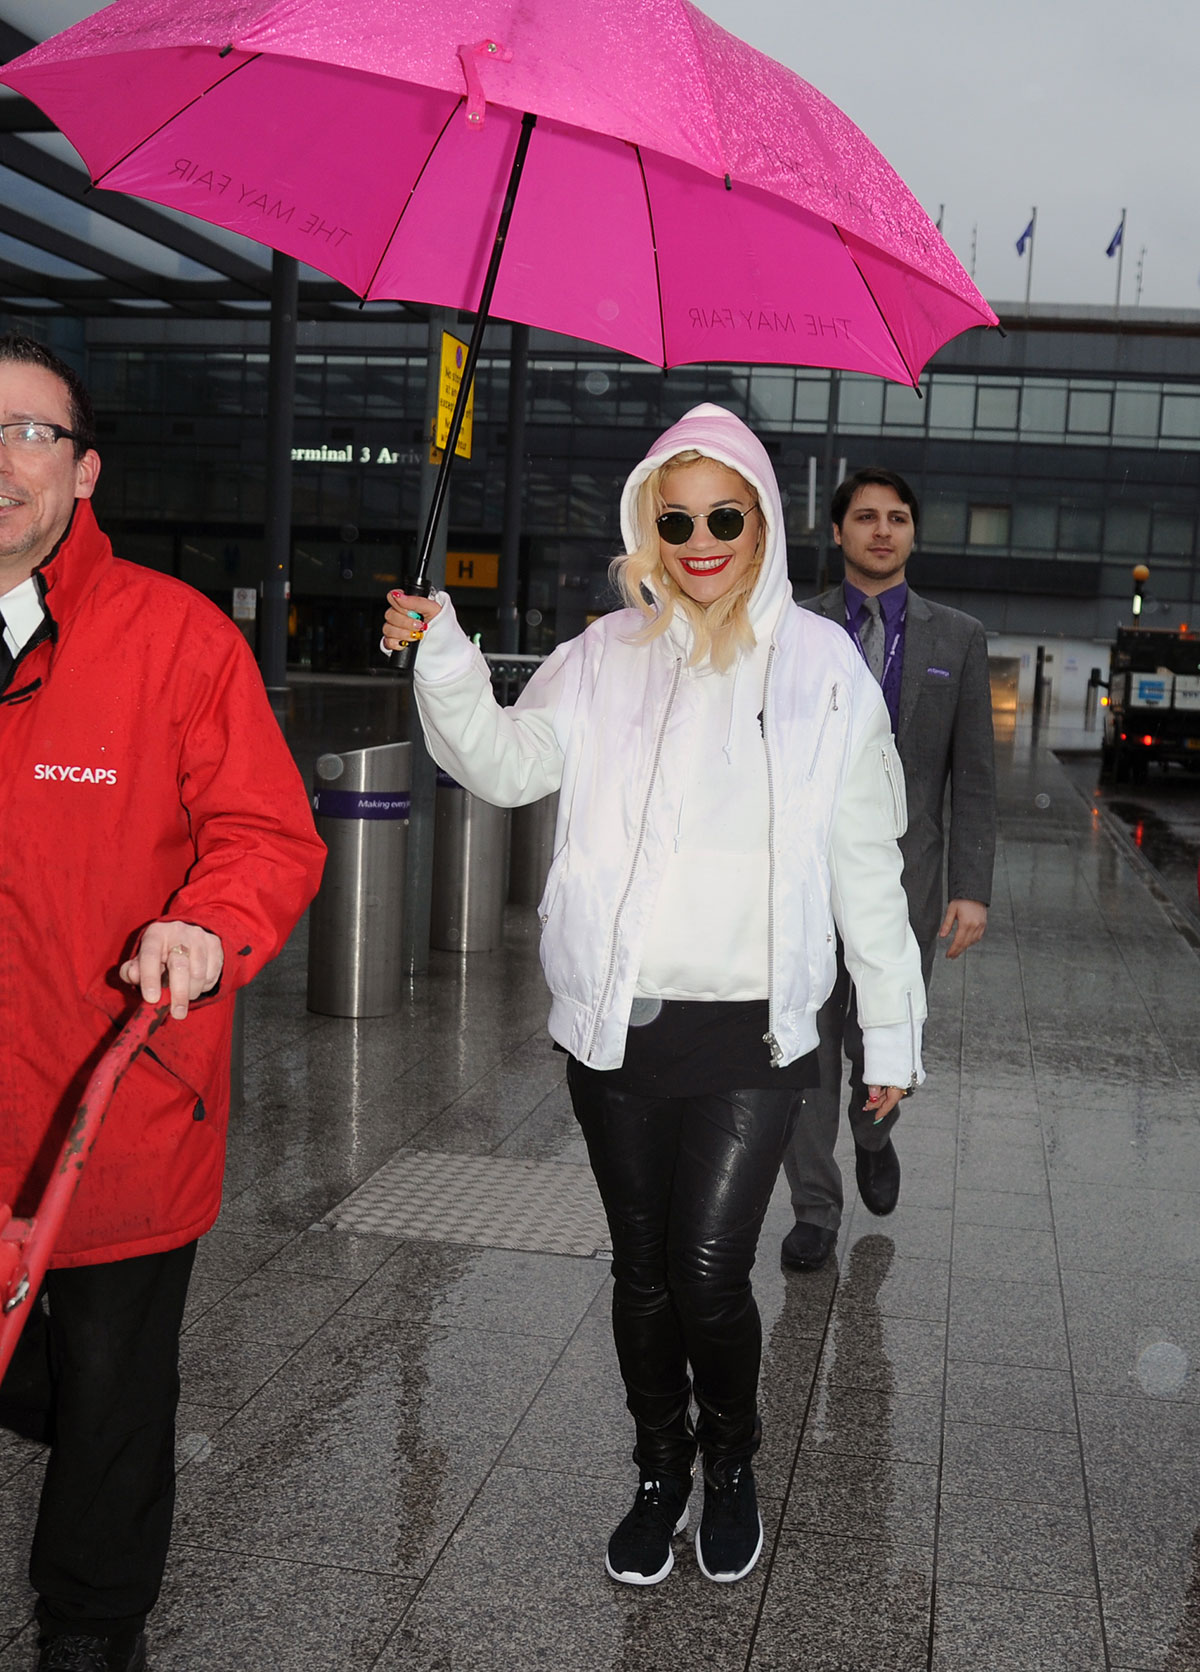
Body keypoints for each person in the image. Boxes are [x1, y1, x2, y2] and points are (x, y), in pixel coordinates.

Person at [382, 404, 925, 1590]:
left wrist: (890, 1026)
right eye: (674, 518)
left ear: (765, 523)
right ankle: (658, 1467)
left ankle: (730, 1460)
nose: (699, 539)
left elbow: (867, 869)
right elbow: (507, 761)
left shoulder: (825, 671)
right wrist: (443, 650)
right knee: (640, 1269)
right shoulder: (602, 657)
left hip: (757, 1031)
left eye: (723, 515)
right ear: (647, 523)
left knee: (708, 1269)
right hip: (618, 1026)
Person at [0, 332, 325, 1672]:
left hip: (116, 1117)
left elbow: (267, 832)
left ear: (85, 472)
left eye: (28, 433)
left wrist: (208, 923)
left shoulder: (173, 640)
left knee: (115, 1400)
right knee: (52, 1385)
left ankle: (91, 1633)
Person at [781, 467, 995, 1273]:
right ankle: (814, 1207)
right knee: (804, 1045)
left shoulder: (958, 638)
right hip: (804, 881)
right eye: (864, 517)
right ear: (837, 533)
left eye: (896, 518)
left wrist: (970, 888)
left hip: (906, 885)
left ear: (912, 533)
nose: (881, 530)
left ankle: (874, 1136)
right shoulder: (794, 629)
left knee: (882, 1035)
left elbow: (971, 775)